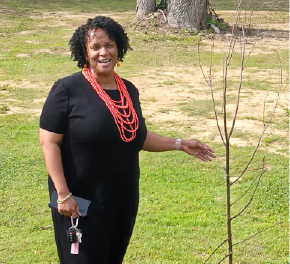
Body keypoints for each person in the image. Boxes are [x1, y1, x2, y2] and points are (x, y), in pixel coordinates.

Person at [39, 16, 215, 264]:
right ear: (85, 52)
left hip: (121, 201)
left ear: (119, 48)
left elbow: (135, 136)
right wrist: (62, 193)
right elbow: (49, 142)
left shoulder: (129, 90)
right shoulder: (67, 90)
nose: (104, 52)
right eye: (96, 47)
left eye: (109, 45)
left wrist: (179, 143)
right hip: (79, 203)